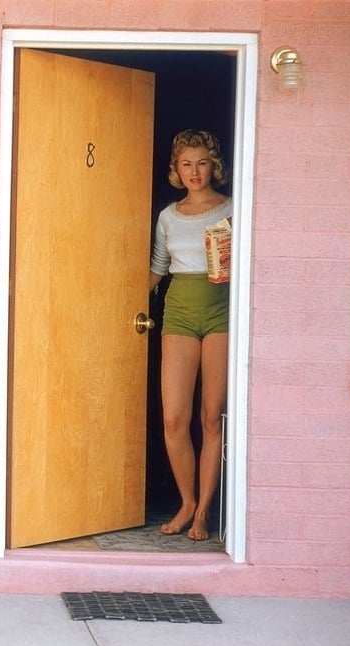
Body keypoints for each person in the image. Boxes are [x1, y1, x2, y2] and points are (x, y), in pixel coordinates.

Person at [148, 129, 231, 541]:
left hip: (222, 311)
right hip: (178, 311)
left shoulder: (233, 208)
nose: (194, 172)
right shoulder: (167, 216)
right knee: (174, 418)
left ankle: (204, 513)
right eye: (186, 164)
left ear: (213, 165)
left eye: (201, 163)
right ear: (176, 169)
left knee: (210, 418)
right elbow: (157, 270)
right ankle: (186, 503)